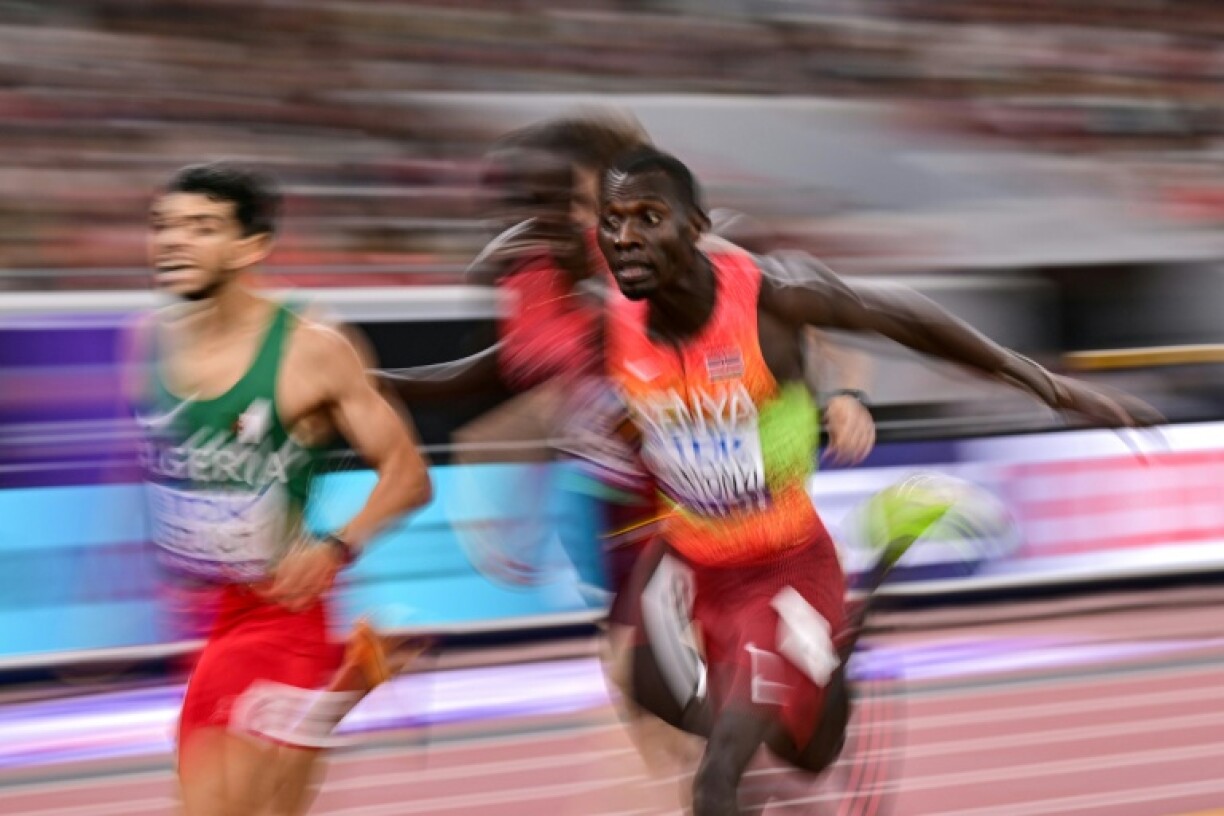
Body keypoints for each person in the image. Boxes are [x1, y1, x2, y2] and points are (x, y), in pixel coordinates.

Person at [593, 146, 1161, 815]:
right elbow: (516, 365)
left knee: (737, 775)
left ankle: (832, 639)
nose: (625, 237)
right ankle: (810, 666)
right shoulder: (619, 319)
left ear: (697, 229)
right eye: (613, 221)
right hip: (692, 561)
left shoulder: (774, 297)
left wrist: (1050, 387)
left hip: (780, 565)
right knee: (664, 699)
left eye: (649, 218)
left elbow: (901, 317)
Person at [126, 162, 432, 816]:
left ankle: (339, 676)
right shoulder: (145, 341)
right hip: (202, 614)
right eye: (165, 226)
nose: (174, 241)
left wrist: (333, 549)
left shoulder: (309, 349)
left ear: (251, 247)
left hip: (277, 608)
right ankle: (349, 675)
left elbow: (409, 476)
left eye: (202, 227)